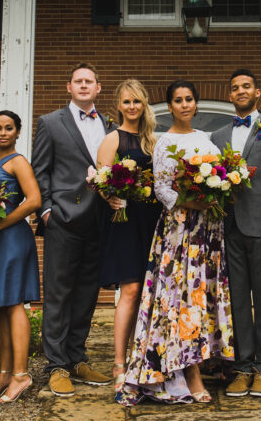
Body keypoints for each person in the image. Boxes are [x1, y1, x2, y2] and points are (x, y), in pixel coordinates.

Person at [118, 80, 234, 405]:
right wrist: (195, 202)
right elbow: (163, 190)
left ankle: (207, 359)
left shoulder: (206, 140)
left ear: (195, 104)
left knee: (205, 296)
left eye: (189, 99)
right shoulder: (163, 141)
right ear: (169, 106)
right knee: (185, 299)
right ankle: (190, 373)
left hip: (209, 231)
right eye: (178, 100)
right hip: (181, 230)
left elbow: (219, 176)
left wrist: (217, 191)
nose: (184, 105)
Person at [31, 63, 115, 396]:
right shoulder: (50, 123)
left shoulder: (109, 124)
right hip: (63, 220)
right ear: (69, 87)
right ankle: (56, 365)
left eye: (89, 81)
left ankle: (76, 358)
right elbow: (41, 169)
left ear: (98, 87)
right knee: (58, 293)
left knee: (86, 293)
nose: (83, 86)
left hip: (99, 221)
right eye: (78, 81)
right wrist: (47, 210)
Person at [210, 69, 261, 398]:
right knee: (238, 301)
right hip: (229, 229)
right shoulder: (216, 136)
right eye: (235, 88)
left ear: (257, 92)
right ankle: (242, 367)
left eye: (246, 86)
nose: (241, 91)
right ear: (229, 95)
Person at [95, 79, 162, 392]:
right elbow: (101, 179)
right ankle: (119, 362)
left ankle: (141, 357)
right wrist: (110, 194)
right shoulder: (113, 139)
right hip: (124, 222)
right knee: (131, 289)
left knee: (148, 292)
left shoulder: (152, 141)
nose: (132, 107)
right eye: (126, 102)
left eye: (137, 102)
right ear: (118, 105)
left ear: (143, 104)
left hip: (150, 221)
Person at [0, 110, 41, 404]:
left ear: (17, 132)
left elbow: (34, 200)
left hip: (13, 238)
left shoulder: (18, 161)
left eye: (9, 128)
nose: (3, 132)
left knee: (14, 304)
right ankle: (5, 372)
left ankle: (21, 374)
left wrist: (2, 223)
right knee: (2, 307)